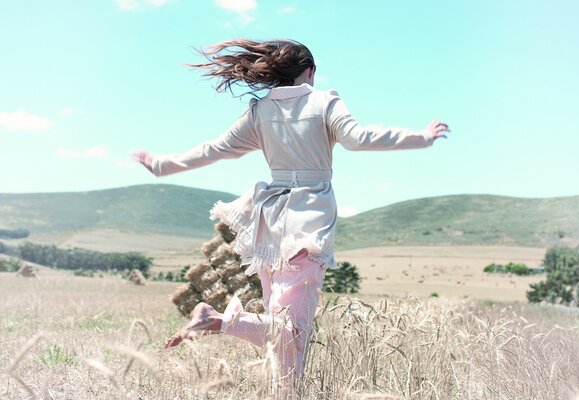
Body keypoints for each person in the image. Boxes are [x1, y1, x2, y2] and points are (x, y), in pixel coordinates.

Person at [132, 39, 450, 385]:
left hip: (268, 224)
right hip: (307, 223)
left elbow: (215, 149)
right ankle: (217, 320)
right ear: (310, 72)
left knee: (285, 342)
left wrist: (162, 164)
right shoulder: (324, 101)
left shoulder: (259, 111)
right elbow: (359, 138)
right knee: (293, 331)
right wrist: (422, 137)